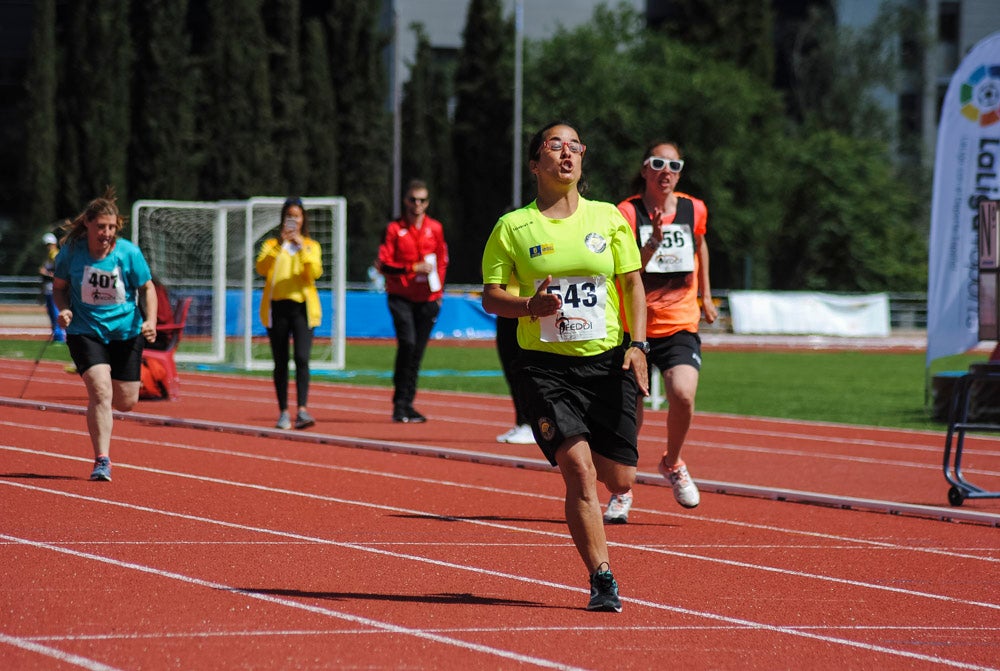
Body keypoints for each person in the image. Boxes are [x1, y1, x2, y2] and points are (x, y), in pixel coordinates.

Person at [481, 121, 649, 612]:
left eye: (575, 146)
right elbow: (492, 297)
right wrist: (529, 308)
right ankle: (602, 579)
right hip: (544, 367)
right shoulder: (513, 226)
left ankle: (598, 447)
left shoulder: (609, 218)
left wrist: (638, 345)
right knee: (578, 470)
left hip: (608, 363)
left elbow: (633, 285)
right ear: (536, 163)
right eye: (555, 146)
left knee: (620, 480)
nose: (567, 154)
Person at [603, 141, 718, 524]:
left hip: (680, 321)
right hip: (635, 326)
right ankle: (622, 490)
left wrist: (706, 296)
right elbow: (626, 268)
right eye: (658, 164)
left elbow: (700, 249)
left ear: (680, 172)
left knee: (683, 394)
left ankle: (672, 462)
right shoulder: (627, 211)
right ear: (645, 169)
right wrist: (652, 241)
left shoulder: (693, 208)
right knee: (629, 418)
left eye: (674, 165)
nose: (666, 171)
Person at [51, 189, 158, 482]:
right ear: (87, 223)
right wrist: (63, 310)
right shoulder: (71, 253)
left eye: (111, 227)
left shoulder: (128, 253)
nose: (106, 233)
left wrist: (151, 320)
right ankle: (102, 460)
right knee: (100, 391)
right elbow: (58, 287)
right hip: (86, 330)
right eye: (101, 226)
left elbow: (147, 287)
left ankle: (107, 400)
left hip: (126, 331)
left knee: (126, 401)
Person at [376, 179, 448, 423]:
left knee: (417, 351)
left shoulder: (435, 228)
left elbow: (441, 260)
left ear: (427, 203)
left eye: (422, 200)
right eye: (413, 199)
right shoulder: (394, 229)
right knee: (407, 344)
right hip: (401, 296)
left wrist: (438, 294)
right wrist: (411, 267)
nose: (417, 204)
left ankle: (408, 403)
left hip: (427, 298)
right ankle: (399, 403)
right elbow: (384, 264)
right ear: (405, 201)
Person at [255, 197, 323, 430]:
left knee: (302, 359)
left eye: (297, 215)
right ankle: (283, 411)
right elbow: (262, 268)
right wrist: (279, 246)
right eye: (289, 216)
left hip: (302, 308)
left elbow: (314, 272)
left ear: (303, 219)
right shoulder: (272, 244)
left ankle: (302, 410)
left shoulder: (311, 246)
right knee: (280, 361)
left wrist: (301, 248)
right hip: (278, 308)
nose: (293, 220)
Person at [493, 278, 534, 445]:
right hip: (506, 305)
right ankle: (521, 422)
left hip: (527, 303)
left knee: (524, 368)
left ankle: (531, 423)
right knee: (511, 367)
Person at [39, 232, 66, 343]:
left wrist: (45, 273)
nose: (48, 247)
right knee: (51, 312)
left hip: (54, 289)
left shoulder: (56, 256)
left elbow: (59, 275)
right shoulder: (48, 257)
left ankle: (59, 336)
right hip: (48, 289)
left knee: (55, 313)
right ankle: (56, 335)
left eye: (50, 244)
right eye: (47, 245)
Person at [145, 276, 175, 351]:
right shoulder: (158, 288)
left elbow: (162, 318)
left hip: (159, 337)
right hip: (163, 334)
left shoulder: (153, 291)